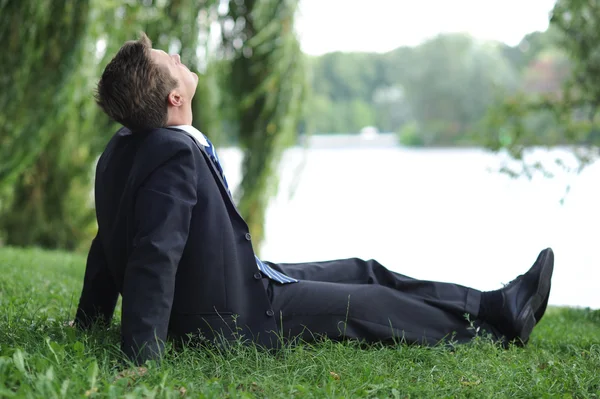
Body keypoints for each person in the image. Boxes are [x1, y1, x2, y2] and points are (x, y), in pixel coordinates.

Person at [74, 33, 555, 365]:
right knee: (367, 304)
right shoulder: (172, 153)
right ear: (173, 98)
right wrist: (142, 355)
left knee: (364, 268)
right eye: (168, 62)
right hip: (237, 318)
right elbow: (152, 254)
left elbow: (110, 241)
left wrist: (89, 322)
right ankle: (490, 333)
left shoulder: (123, 148)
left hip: (250, 279)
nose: (177, 59)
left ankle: (494, 303)